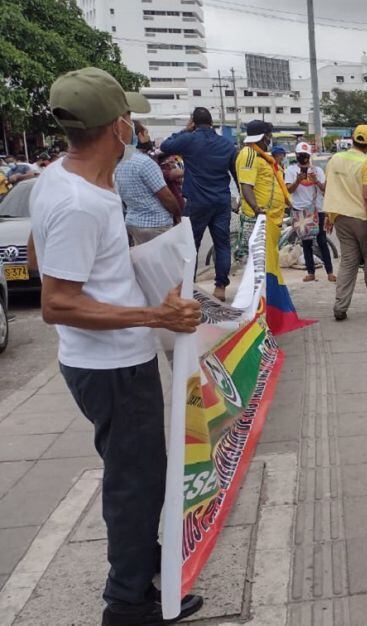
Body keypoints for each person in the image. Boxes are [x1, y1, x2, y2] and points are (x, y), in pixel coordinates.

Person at [29, 66, 203, 625]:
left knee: (134, 470)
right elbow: (55, 302)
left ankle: (141, 559)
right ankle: (127, 603)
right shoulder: (82, 201)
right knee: (137, 481)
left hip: (103, 361)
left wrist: (128, 269)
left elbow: (39, 259)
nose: (135, 128)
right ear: (117, 126)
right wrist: (156, 313)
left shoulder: (60, 179)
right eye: (130, 118)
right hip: (112, 367)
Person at [160, 107, 237, 301]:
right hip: (221, 201)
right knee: (222, 245)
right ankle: (220, 287)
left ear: (194, 122)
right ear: (212, 123)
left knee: (191, 246)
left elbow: (166, 146)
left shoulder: (189, 139)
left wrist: (186, 129)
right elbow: (236, 174)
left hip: (197, 201)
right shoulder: (227, 144)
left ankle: (189, 288)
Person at [324, 125, 367, 319]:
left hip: (340, 217)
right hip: (362, 218)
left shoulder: (335, 159)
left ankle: (340, 306)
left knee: (348, 262)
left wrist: (328, 216)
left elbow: (329, 188)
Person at [115, 120, 181, 244]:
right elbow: (166, 196)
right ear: (139, 136)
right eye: (146, 133)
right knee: (163, 262)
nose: (149, 137)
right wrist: (177, 214)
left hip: (133, 223)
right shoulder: (145, 162)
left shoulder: (121, 162)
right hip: (156, 224)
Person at [235, 120, 291, 264]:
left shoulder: (262, 156)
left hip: (269, 219)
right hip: (258, 219)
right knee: (259, 263)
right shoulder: (249, 154)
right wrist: (256, 209)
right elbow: (246, 186)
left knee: (268, 263)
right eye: (269, 135)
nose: (270, 139)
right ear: (263, 137)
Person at [285, 142, 335, 283]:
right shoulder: (291, 170)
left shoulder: (317, 170)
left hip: (317, 210)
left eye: (306, 155)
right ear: (296, 155)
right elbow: (289, 190)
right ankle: (310, 272)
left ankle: (329, 272)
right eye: (301, 155)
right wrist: (297, 180)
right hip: (300, 211)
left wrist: (316, 181)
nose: (303, 158)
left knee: (322, 241)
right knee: (306, 243)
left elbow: (325, 188)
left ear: (309, 156)